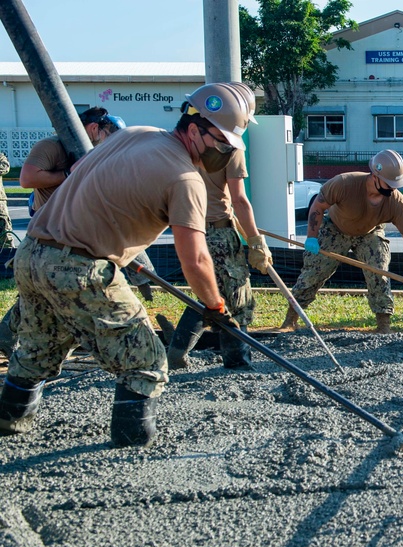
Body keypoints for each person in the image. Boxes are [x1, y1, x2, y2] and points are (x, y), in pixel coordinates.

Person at [0, 82, 251, 448]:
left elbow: (87, 175)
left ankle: (10, 423)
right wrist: (216, 307)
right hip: (80, 268)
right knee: (146, 360)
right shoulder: (185, 178)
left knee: (39, 348)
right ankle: (131, 448)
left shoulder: (136, 133)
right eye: (221, 142)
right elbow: (195, 258)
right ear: (194, 128)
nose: (224, 152)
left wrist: (117, 242)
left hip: (33, 257)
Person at [0, 110, 157, 358]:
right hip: (52, 232)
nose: (111, 141)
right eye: (109, 135)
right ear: (94, 129)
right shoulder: (51, 146)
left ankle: (12, 339)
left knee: (47, 295)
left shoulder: (96, 153)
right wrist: (69, 173)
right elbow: (27, 178)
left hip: (80, 233)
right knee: (53, 293)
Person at [165, 82, 273, 369]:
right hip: (220, 232)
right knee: (238, 298)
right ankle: (237, 359)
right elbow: (240, 200)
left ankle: (177, 349)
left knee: (209, 293)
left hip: (192, 229)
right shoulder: (230, 145)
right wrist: (255, 241)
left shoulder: (182, 140)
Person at [279, 149, 403, 334]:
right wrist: (312, 238)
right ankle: (291, 319)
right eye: (389, 184)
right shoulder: (344, 183)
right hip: (336, 228)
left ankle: (383, 325)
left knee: (379, 272)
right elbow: (318, 206)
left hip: (369, 233)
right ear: (375, 176)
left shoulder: (396, 201)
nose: (393, 189)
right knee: (314, 271)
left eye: (395, 185)